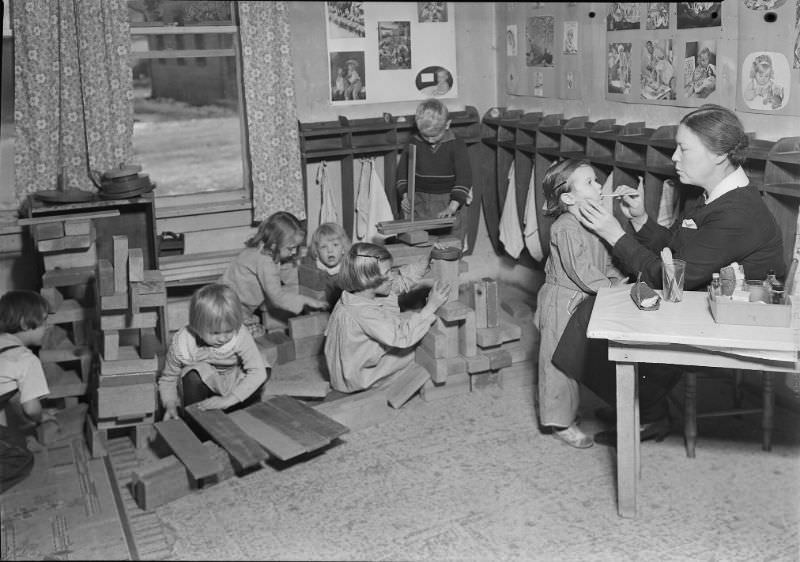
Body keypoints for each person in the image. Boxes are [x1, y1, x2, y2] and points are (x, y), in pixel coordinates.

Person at [568, 104, 785, 445]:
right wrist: (640, 220)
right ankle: (637, 402)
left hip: (732, 316)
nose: (674, 158)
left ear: (719, 155)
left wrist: (614, 233)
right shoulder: (716, 195)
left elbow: (670, 278)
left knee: (591, 316)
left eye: (684, 149)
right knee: (595, 310)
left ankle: (646, 411)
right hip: (702, 298)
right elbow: (678, 250)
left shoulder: (737, 213)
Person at [535, 160, 626, 449]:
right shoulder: (565, 227)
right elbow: (582, 272)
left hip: (588, 299)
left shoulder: (595, 220)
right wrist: (612, 288)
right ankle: (559, 421)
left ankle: (572, 409)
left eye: (597, 180)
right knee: (559, 363)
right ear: (568, 198)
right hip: (563, 301)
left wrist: (620, 278)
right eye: (590, 182)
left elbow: (607, 261)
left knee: (580, 360)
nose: (599, 186)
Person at [324, 243, 450, 393]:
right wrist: (431, 306)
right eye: (387, 273)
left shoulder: (358, 293)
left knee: (413, 322)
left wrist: (427, 261)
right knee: (422, 349)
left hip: (347, 368)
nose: (391, 276)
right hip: (359, 377)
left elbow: (400, 281)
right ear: (368, 280)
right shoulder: (363, 313)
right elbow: (402, 336)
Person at [158, 283, 268, 421]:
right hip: (204, 387)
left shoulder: (240, 335)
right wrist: (170, 404)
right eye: (215, 333)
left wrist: (230, 399)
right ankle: (197, 423)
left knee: (263, 368)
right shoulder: (183, 343)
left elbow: (257, 371)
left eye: (229, 331)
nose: (223, 338)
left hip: (233, 380)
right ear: (196, 327)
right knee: (192, 376)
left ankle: (240, 410)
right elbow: (168, 379)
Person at [220, 211, 328, 338]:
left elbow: (290, 278)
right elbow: (277, 296)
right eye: (290, 248)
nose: (293, 252)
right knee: (252, 335)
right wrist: (308, 301)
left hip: (231, 303)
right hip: (227, 307)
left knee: (253, 327)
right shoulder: (264, 260)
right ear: (274, 244)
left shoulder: (264, 251)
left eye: (296, 248)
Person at [396, 99, 473, 246]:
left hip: (448, 200)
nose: (430, 140)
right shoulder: (413, 142)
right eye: (425, 135)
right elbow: (402, 173)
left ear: (447, 124)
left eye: (435, 135)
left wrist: (452, 206)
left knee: (449, 245)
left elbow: (464, 177)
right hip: (418, 201)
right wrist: (405, 196)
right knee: (418, 244)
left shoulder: (456, 144)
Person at [0, 291, 53, 492]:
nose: (47, 328)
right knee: (22, 460)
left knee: (10, 441)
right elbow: (31, 408)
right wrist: (41, 417)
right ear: (24, 323)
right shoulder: (26, 360)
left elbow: (4, 402)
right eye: (44, 322)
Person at [305, 222, 350, 308]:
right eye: (324, 247)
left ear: (343, 249)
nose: (330, 250)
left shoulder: (348, 269)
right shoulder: (312, 268)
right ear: (317, 252)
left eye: (335, 245)